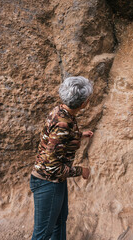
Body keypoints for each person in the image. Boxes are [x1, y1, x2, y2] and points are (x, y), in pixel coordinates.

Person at [30, 76, 94, 240]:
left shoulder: (60, 111)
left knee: (59, 222)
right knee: (43, 235)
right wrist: (81, 170)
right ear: (83, 104)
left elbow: (59, 135)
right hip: (48, 181)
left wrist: (79, 135)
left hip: (55, 181)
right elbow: (53, 167)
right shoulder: (63, 124)